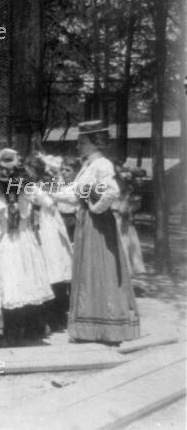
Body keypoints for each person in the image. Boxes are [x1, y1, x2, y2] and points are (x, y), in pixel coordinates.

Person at [67, 120, 139, 344]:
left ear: (91, 143)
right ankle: (91, 328)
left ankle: (107, 328)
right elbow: (75, 193)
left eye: (81, 142)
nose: (78, 146)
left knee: (101, 269)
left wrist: (95, 209)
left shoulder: (102, 164)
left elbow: (112, 191)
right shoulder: (88, 165)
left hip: (98, 224)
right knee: (89, 270)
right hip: (88, 223)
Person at [0, 149, 54, 346]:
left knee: (11, 286)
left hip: (9, 242)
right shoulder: (29, 191)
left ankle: (12, 333)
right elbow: (48, 202)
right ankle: (34, 328)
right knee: (27, 283)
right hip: (26, 240)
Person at [29, 153, 73, 332]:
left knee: (54, 270)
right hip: (38, 227)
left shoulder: (46, 187)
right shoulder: (31, 187)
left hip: (48, 228)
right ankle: (45, 317)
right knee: (44, 272)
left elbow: (50, 203)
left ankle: (57, 315)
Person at [112, 167, 146, 276]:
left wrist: (126, 210)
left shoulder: (129, 194)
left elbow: (131, 207)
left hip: (122, 222)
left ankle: (124, 271)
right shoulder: (112, 188)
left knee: (124, 244)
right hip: (112, 219)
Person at [58, 156, 81, 241]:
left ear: (76, 172)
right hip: (58, 217)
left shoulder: (76, 186)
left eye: (68, 170)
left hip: (71, 219)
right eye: (62, 169)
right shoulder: (60, 183)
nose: (63, 172)